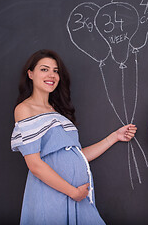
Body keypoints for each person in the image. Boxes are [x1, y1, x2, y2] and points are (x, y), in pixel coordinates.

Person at [11, 49, 137, 225]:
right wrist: (72, 192)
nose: (52, 75)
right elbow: (34, 164)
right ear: (30, 74)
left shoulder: (58, 111)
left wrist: (114, 137)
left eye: (56, 71)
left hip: (76, 196)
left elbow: (77, 156)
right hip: (52, 197)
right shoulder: (25, 109)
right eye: (44, 69)